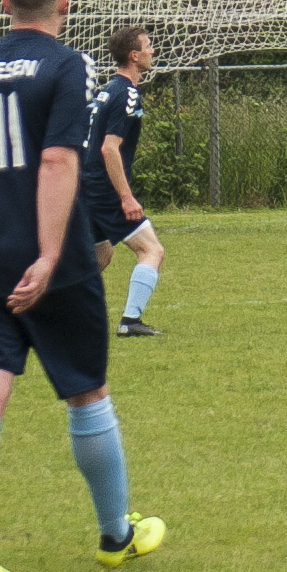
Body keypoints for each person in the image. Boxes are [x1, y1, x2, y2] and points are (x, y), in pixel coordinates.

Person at [0, 0, 163, 572]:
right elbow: (58, 163)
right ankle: (115, 536)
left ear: (3, 6)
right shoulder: (69, 65)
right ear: (64, 4)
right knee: (86, 394)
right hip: (54, 262)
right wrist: (52, 254)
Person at [85, 25, 167, 338]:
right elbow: (109, 147)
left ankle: (50, 310)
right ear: (134, 56)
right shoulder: (126, 93)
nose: (152, 51)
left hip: (88, 185)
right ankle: (130, 322)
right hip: (105, 190)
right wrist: (126, 197)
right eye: (148, 46)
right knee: (151, 250)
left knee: (99, 256)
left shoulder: (107, 90)